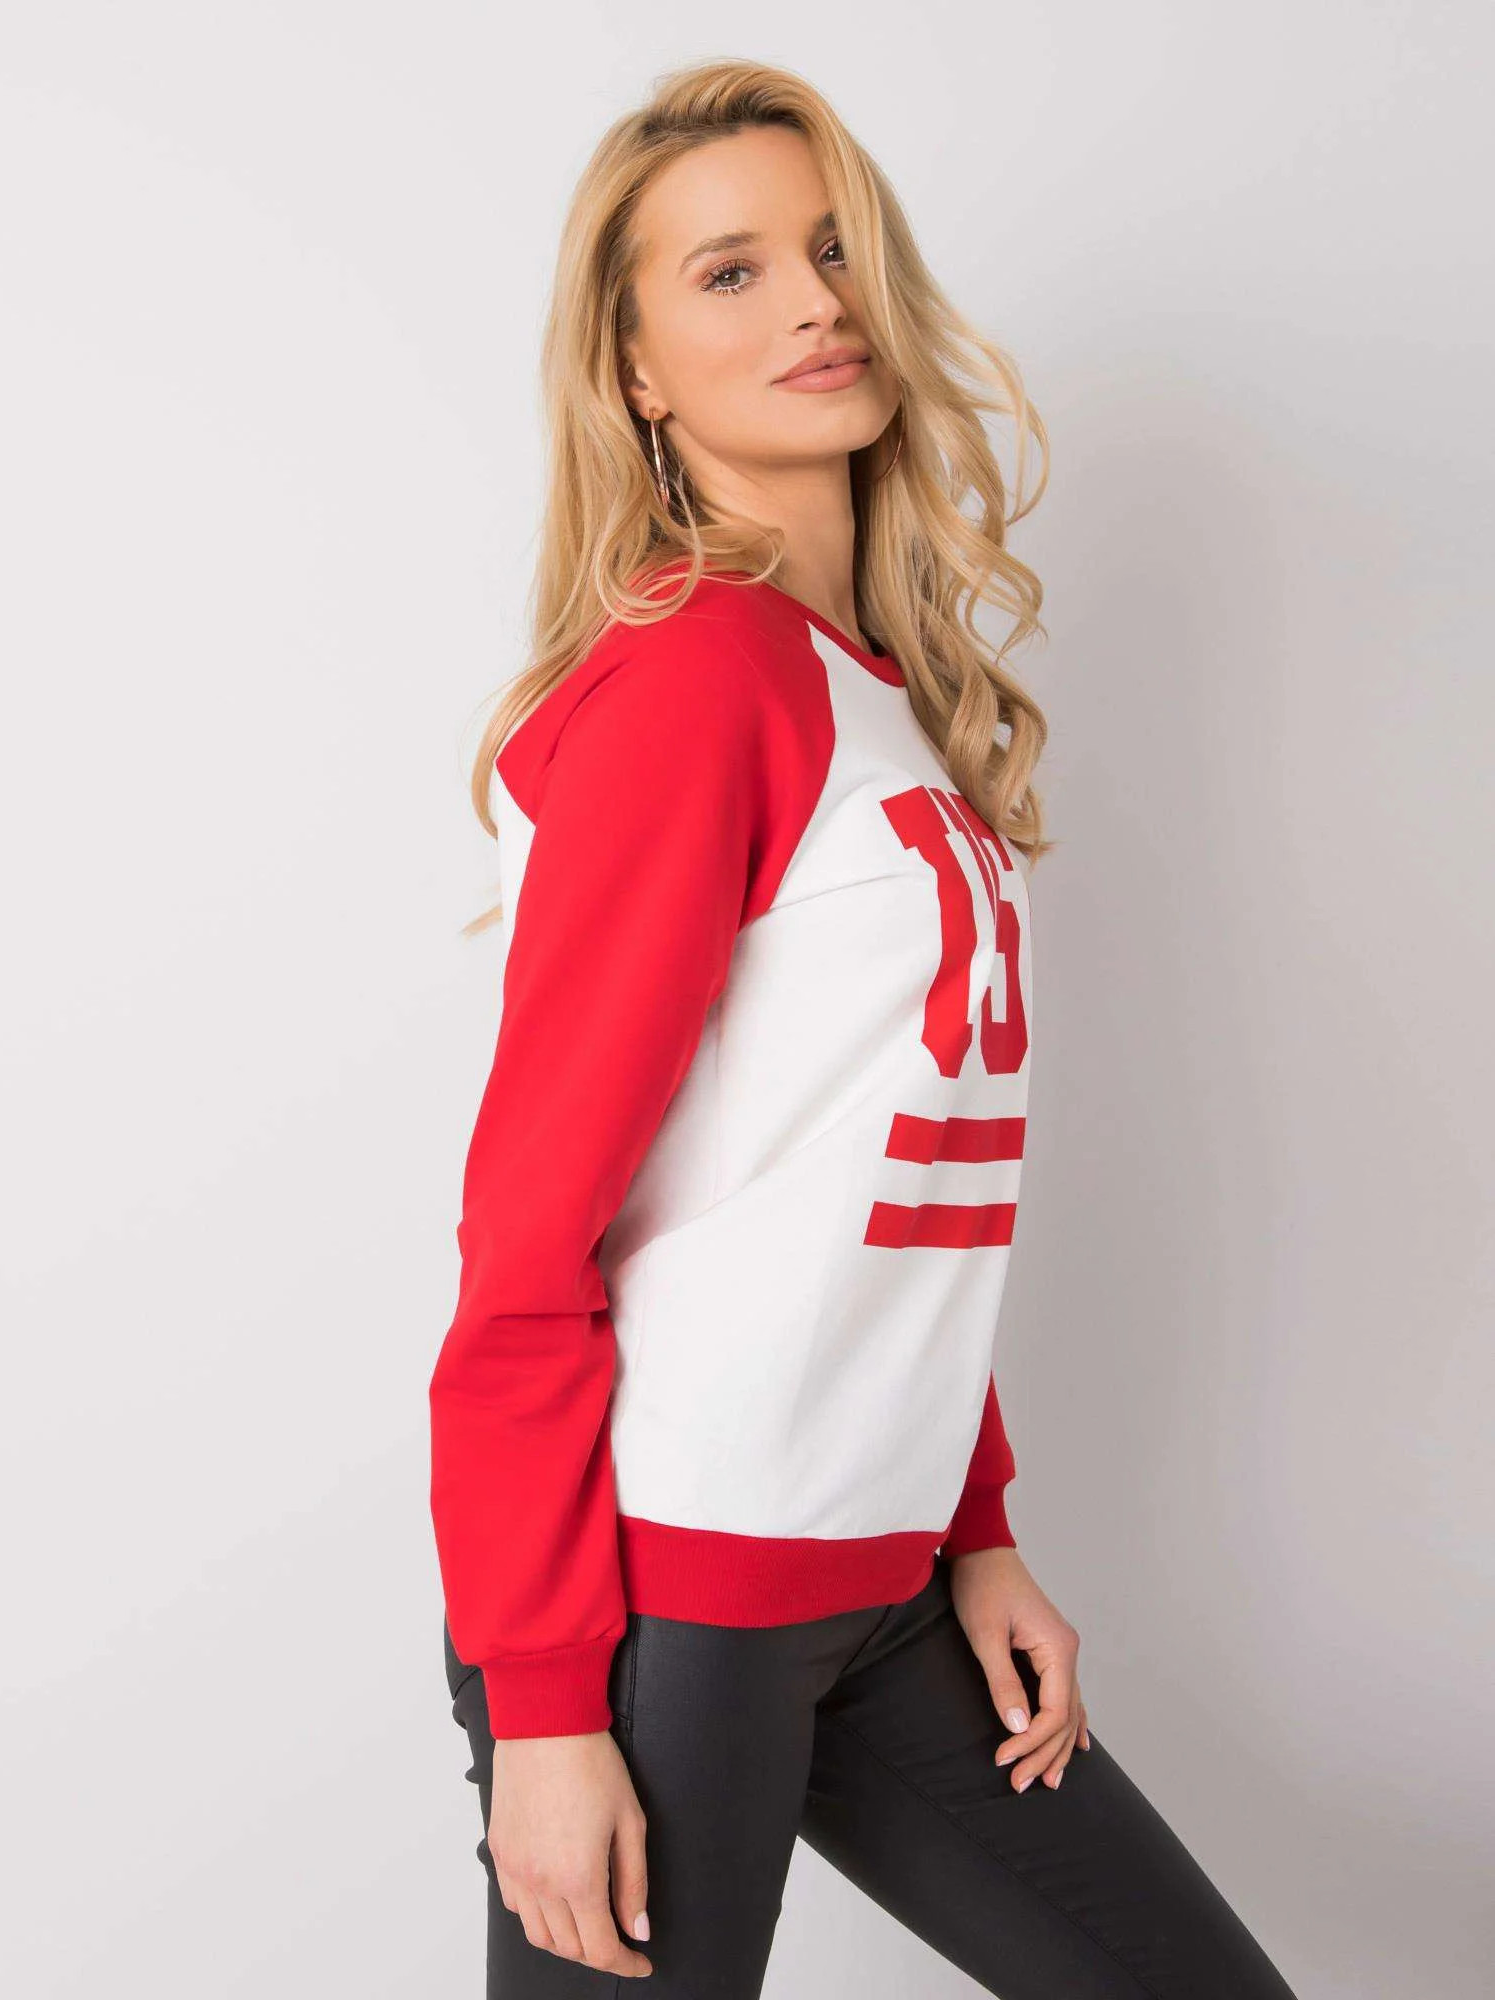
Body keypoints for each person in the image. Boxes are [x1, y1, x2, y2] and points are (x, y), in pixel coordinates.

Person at [428, 56, 1300, 2000]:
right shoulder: (696, 676)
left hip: (878, 1578)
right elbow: (526, 1233)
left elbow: (881, 1164)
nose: (815, 304)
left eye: (834, 252)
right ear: (635, 368)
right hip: (667, 1595)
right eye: (730, 272)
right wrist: (548, 1704)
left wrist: (971, 1525)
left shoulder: (868, 687)